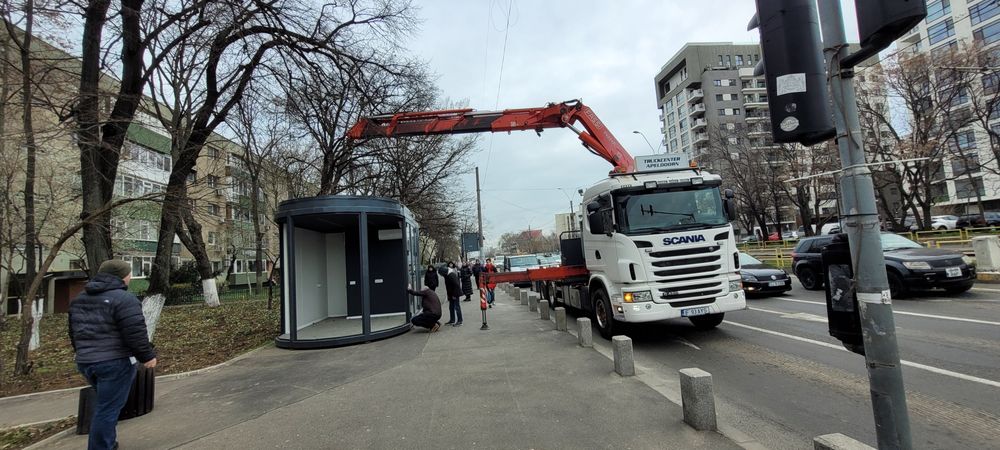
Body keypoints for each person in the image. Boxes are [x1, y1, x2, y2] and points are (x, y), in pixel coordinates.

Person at [68, 260, 157, 450]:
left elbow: (74, 331)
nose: (130, 277)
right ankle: (102, 447)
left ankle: (108, 442)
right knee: (107, 408)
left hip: (86, 361)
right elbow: (134, 333)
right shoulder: (124, 299)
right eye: (129, 274)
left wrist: (82, 353)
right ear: (122, 276)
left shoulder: (80, 298)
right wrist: (147, 356)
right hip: (114, 362)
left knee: (105, 404)